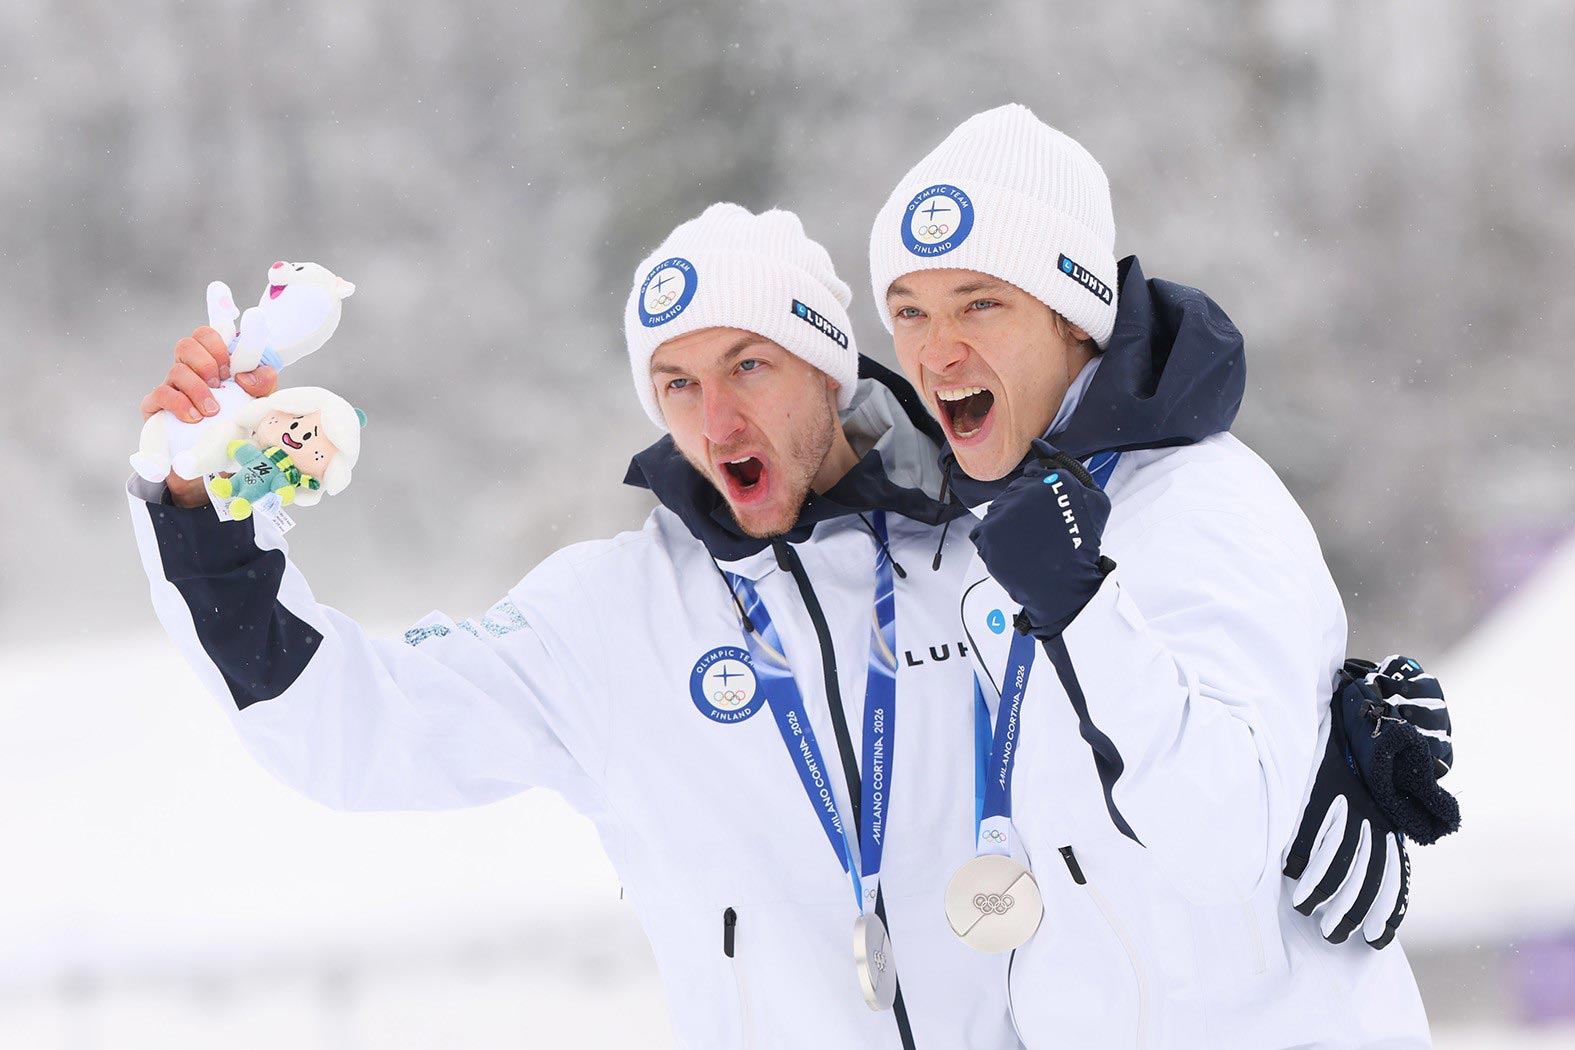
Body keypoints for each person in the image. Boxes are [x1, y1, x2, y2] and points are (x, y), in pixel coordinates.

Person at [128, 205, 1016, 1049]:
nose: (715, 420)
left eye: (748, 365)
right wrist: (200, 503)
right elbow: (343, 725)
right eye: (677, 382)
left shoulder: (1003, 557)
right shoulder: (608, 619)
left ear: (827, 369)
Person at [866, 104, 1432, 1047]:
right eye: (909, 312)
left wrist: (1081, 608)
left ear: (1072, 317)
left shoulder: (1205, 505)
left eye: (979, 303)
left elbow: (1220, 841)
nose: (935, 350)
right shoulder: (997, 516)